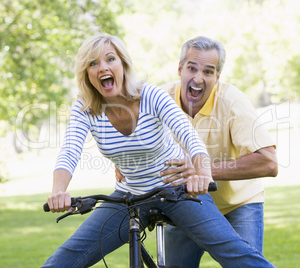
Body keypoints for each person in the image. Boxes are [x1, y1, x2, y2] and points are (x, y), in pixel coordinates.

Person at [42, 33, 275, 268]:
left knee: (237, 255)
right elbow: (70, 151)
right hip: (129, 195)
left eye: (110, 59)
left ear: (123, 64)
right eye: (93, 63)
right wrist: (58, 191)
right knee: (65, 259)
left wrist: (203, 172)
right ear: (86, 72)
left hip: (177, 191)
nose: (102, 67)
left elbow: (189, 136)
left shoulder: (151, 95)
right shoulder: (84, 109)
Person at [160, 36, 278, 266]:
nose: (198, 78)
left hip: (238, 204)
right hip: (187, 203)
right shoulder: (159, 100)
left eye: (208, 71)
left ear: (217, 77)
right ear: (180, 69)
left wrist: (203, 171)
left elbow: (268, 162)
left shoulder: (232, 102)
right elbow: (132, 134)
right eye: (191, 68)